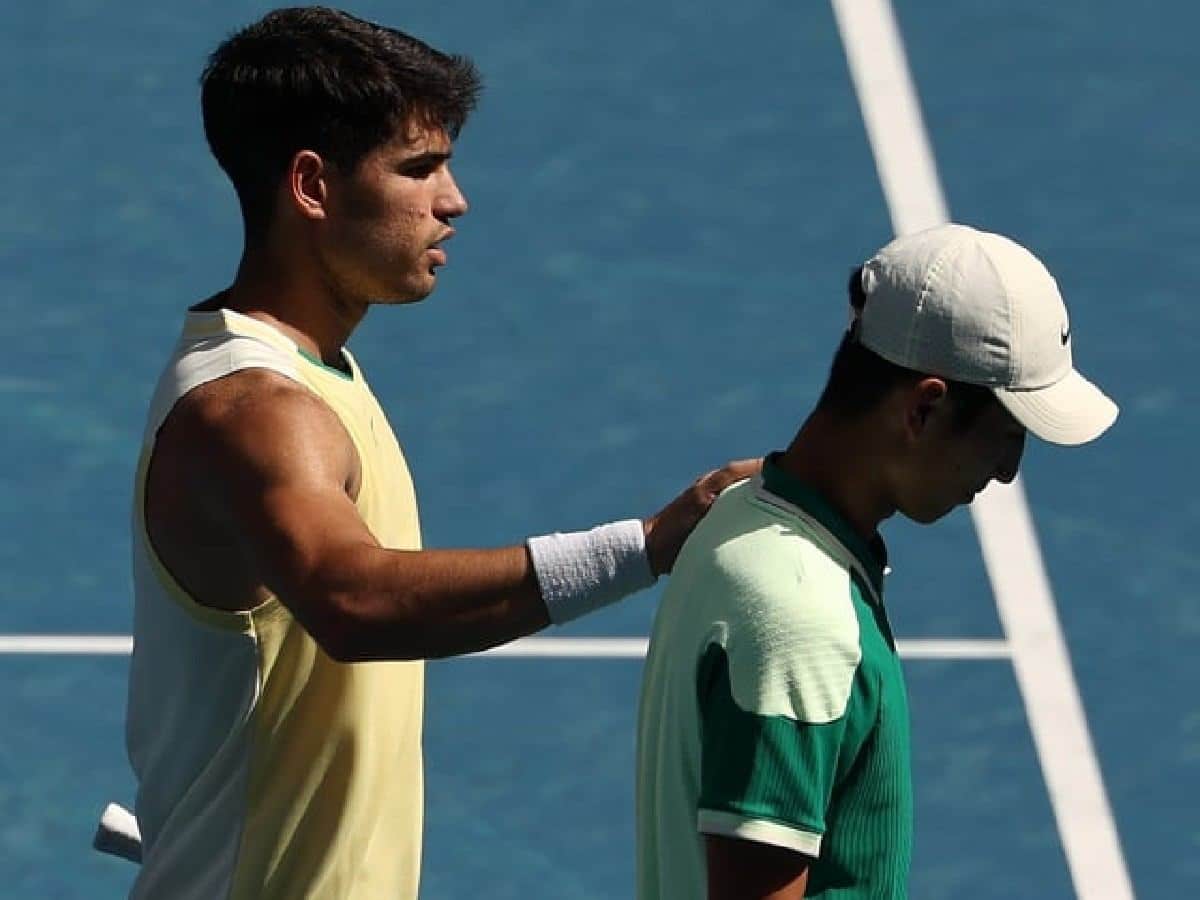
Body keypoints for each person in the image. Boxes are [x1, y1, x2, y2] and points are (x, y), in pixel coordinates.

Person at [121, 7, 758, 899]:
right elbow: (355, 601)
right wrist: (647, 546)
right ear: (312, 186)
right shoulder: (258, 410)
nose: (453, 200)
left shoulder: (316, 372)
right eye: (418, 169)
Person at [634, 223, 1119, 899]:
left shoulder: (742, 515)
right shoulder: (800, 618)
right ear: (923, 409)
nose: (1008, 473)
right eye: (1005, 438)